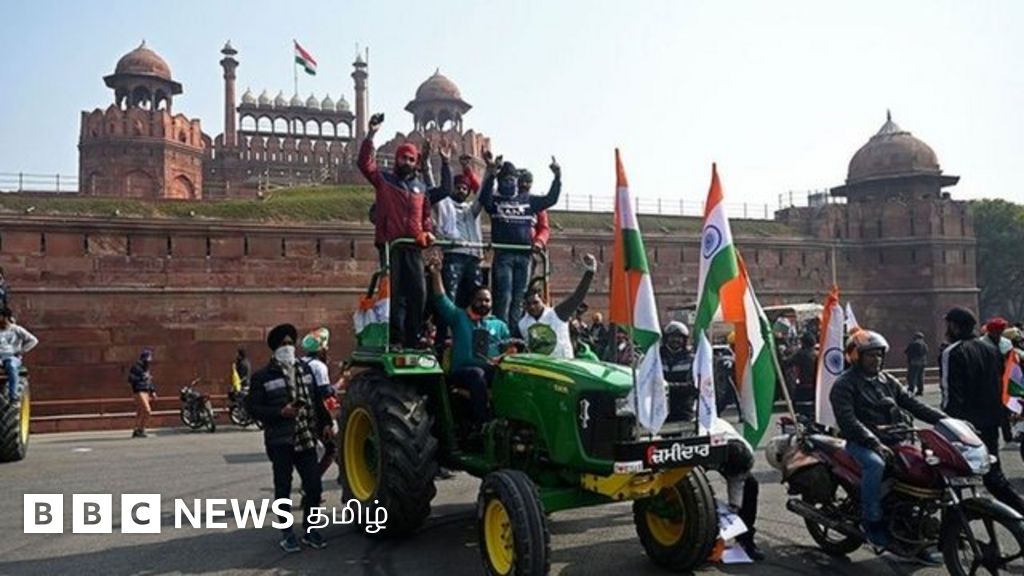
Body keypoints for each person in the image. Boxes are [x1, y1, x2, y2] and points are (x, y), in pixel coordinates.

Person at [830, 329, 948, 550]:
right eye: (870, 355)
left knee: (922, 465)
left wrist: (947, 421)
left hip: (894, 439)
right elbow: (848, 420)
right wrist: (873, 442)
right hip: (861, 443)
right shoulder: (844, 384)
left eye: (879, 355)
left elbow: (914, 405)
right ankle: (872, 520)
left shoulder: (887, 380)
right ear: (856, 356)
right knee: (876, 464)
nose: (876, 359)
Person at [247, 323, 333, 553]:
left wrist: (325, 423)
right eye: (283, 344)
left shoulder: (305, 371)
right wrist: (280, 412)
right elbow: (253, 408)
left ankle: (310, 529)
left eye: (290, 343)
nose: (288, 347)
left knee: (314, 487)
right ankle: (287, 533)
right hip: (280, 441)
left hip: (305, 437)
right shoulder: (262, 377)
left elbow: (316, 400)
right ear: (275, 348)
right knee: (283, 488)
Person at [358, 113, 437, 349]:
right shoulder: (385, 180)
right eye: (404, 158)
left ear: (416, 162)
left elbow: (426, 215)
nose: (407, 162)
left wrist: (427, 232)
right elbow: (364, 164)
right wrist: (371, 134)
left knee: (418, 292)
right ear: (397, 159)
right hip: (390, 244)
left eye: (411, 159)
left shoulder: (420, 187)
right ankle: (396, 339)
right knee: (393, 294)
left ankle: (414, 337)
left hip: (413, 246)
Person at [941, 307, 1024, 515]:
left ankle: (953, 525)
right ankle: (1020, 512)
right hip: (990, 421)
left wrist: (946, 423)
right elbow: (1000, 385)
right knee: (994, 477)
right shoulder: (991, 350)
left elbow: (951, 394)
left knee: (950, 477)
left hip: (964, 426)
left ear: (954, 326)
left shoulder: (953, 352)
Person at [479, 152, 562, 329]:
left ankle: (515, 333)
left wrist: (557, 177)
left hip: (525, 256)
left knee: (519, 298)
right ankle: (502, 332)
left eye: (512, 179)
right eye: (505, 179)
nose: (509, 182)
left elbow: (550, 199)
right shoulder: (495, 201)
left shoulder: (528, 200)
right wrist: (492, 173)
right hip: (504, 255)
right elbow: (483, 199)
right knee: (504, 296)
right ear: (500, 181)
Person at [426, 255, 510, 427]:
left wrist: (502, 358)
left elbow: (509, 350)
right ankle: (483, 424)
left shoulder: (499, 325)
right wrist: (436, 274)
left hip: (491, 371)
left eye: (487, 300)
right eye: (480, 300)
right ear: (472, 301)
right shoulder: (459, 317)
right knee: (476, 374)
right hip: (462, 373)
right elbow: (441, 299)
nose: (483, 303)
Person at [519, 254, 597, 358]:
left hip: (562, 364)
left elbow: (577, 297)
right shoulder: (522, 324)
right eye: (528, 304)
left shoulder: (557, 314)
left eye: (535, 302)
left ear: (543, 300)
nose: (532, 307)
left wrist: (590, 272)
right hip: (540, 366)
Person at [707, 417, 764, 561]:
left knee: (751, 485)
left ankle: (745, 539)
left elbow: (738, 482)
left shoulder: (746, 453)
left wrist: (732, 514)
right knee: (699, 492)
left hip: (728, 449)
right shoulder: (709, 446)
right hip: (703, 446)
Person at [300, 327, 336, 477]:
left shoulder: (299, 363)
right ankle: (312, 480)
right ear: (321, 349)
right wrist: (342, 381)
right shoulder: (319, 367)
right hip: (317, 415)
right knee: (331, 449)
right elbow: (325, 394)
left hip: (302, 413)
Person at [660, 322, 696, 422]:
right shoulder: (657, 357)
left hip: (684, 411)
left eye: (679, 337)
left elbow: (693, 386)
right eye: (672, 337)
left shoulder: (691, 359)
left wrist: (668, 386)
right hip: (660, 411)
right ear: (666, 338)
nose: (675, 340)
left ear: (684, 340)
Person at [1, 308, 37, 403]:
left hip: (11, 357)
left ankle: (13, 395)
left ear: (5, 317)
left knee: (11, 366)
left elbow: (33, 340)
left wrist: (21, 351)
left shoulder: (16, 329)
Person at [127, 348, 155, 438]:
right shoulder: (136, 367)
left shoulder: (146, 368)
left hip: (146, 390)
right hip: (139, 390)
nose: (150, 360)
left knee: (140, 412)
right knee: (147, 410)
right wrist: (141, 377)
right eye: (149, 358)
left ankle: (137, 429)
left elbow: (149, 380)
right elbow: (130, 379)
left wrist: (152, 390)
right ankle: (141, 429)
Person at [790, 332, 818, 417]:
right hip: (815, 386)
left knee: (800, 409)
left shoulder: (800, 354)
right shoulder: (817, 354)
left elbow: (788, 362)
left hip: (803, 386)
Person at [903, 331, 928, 396]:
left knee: (912, 376)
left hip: (914, 362)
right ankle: (920, 390)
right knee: (920, 377)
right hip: (922, 362)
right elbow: (925, 352)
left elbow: (907, 351)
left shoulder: (913, 344)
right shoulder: (924, 344)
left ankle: (911, 389)